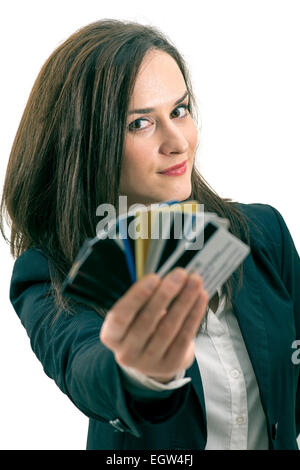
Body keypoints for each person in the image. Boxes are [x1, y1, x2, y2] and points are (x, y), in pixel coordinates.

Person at [1, 19, 299, 451]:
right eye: (140, 123)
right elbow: (83, 365)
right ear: (88, 144)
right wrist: (140, 373)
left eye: (179, 111)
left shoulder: (263, 235)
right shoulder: (48, 271)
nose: (178, 141)